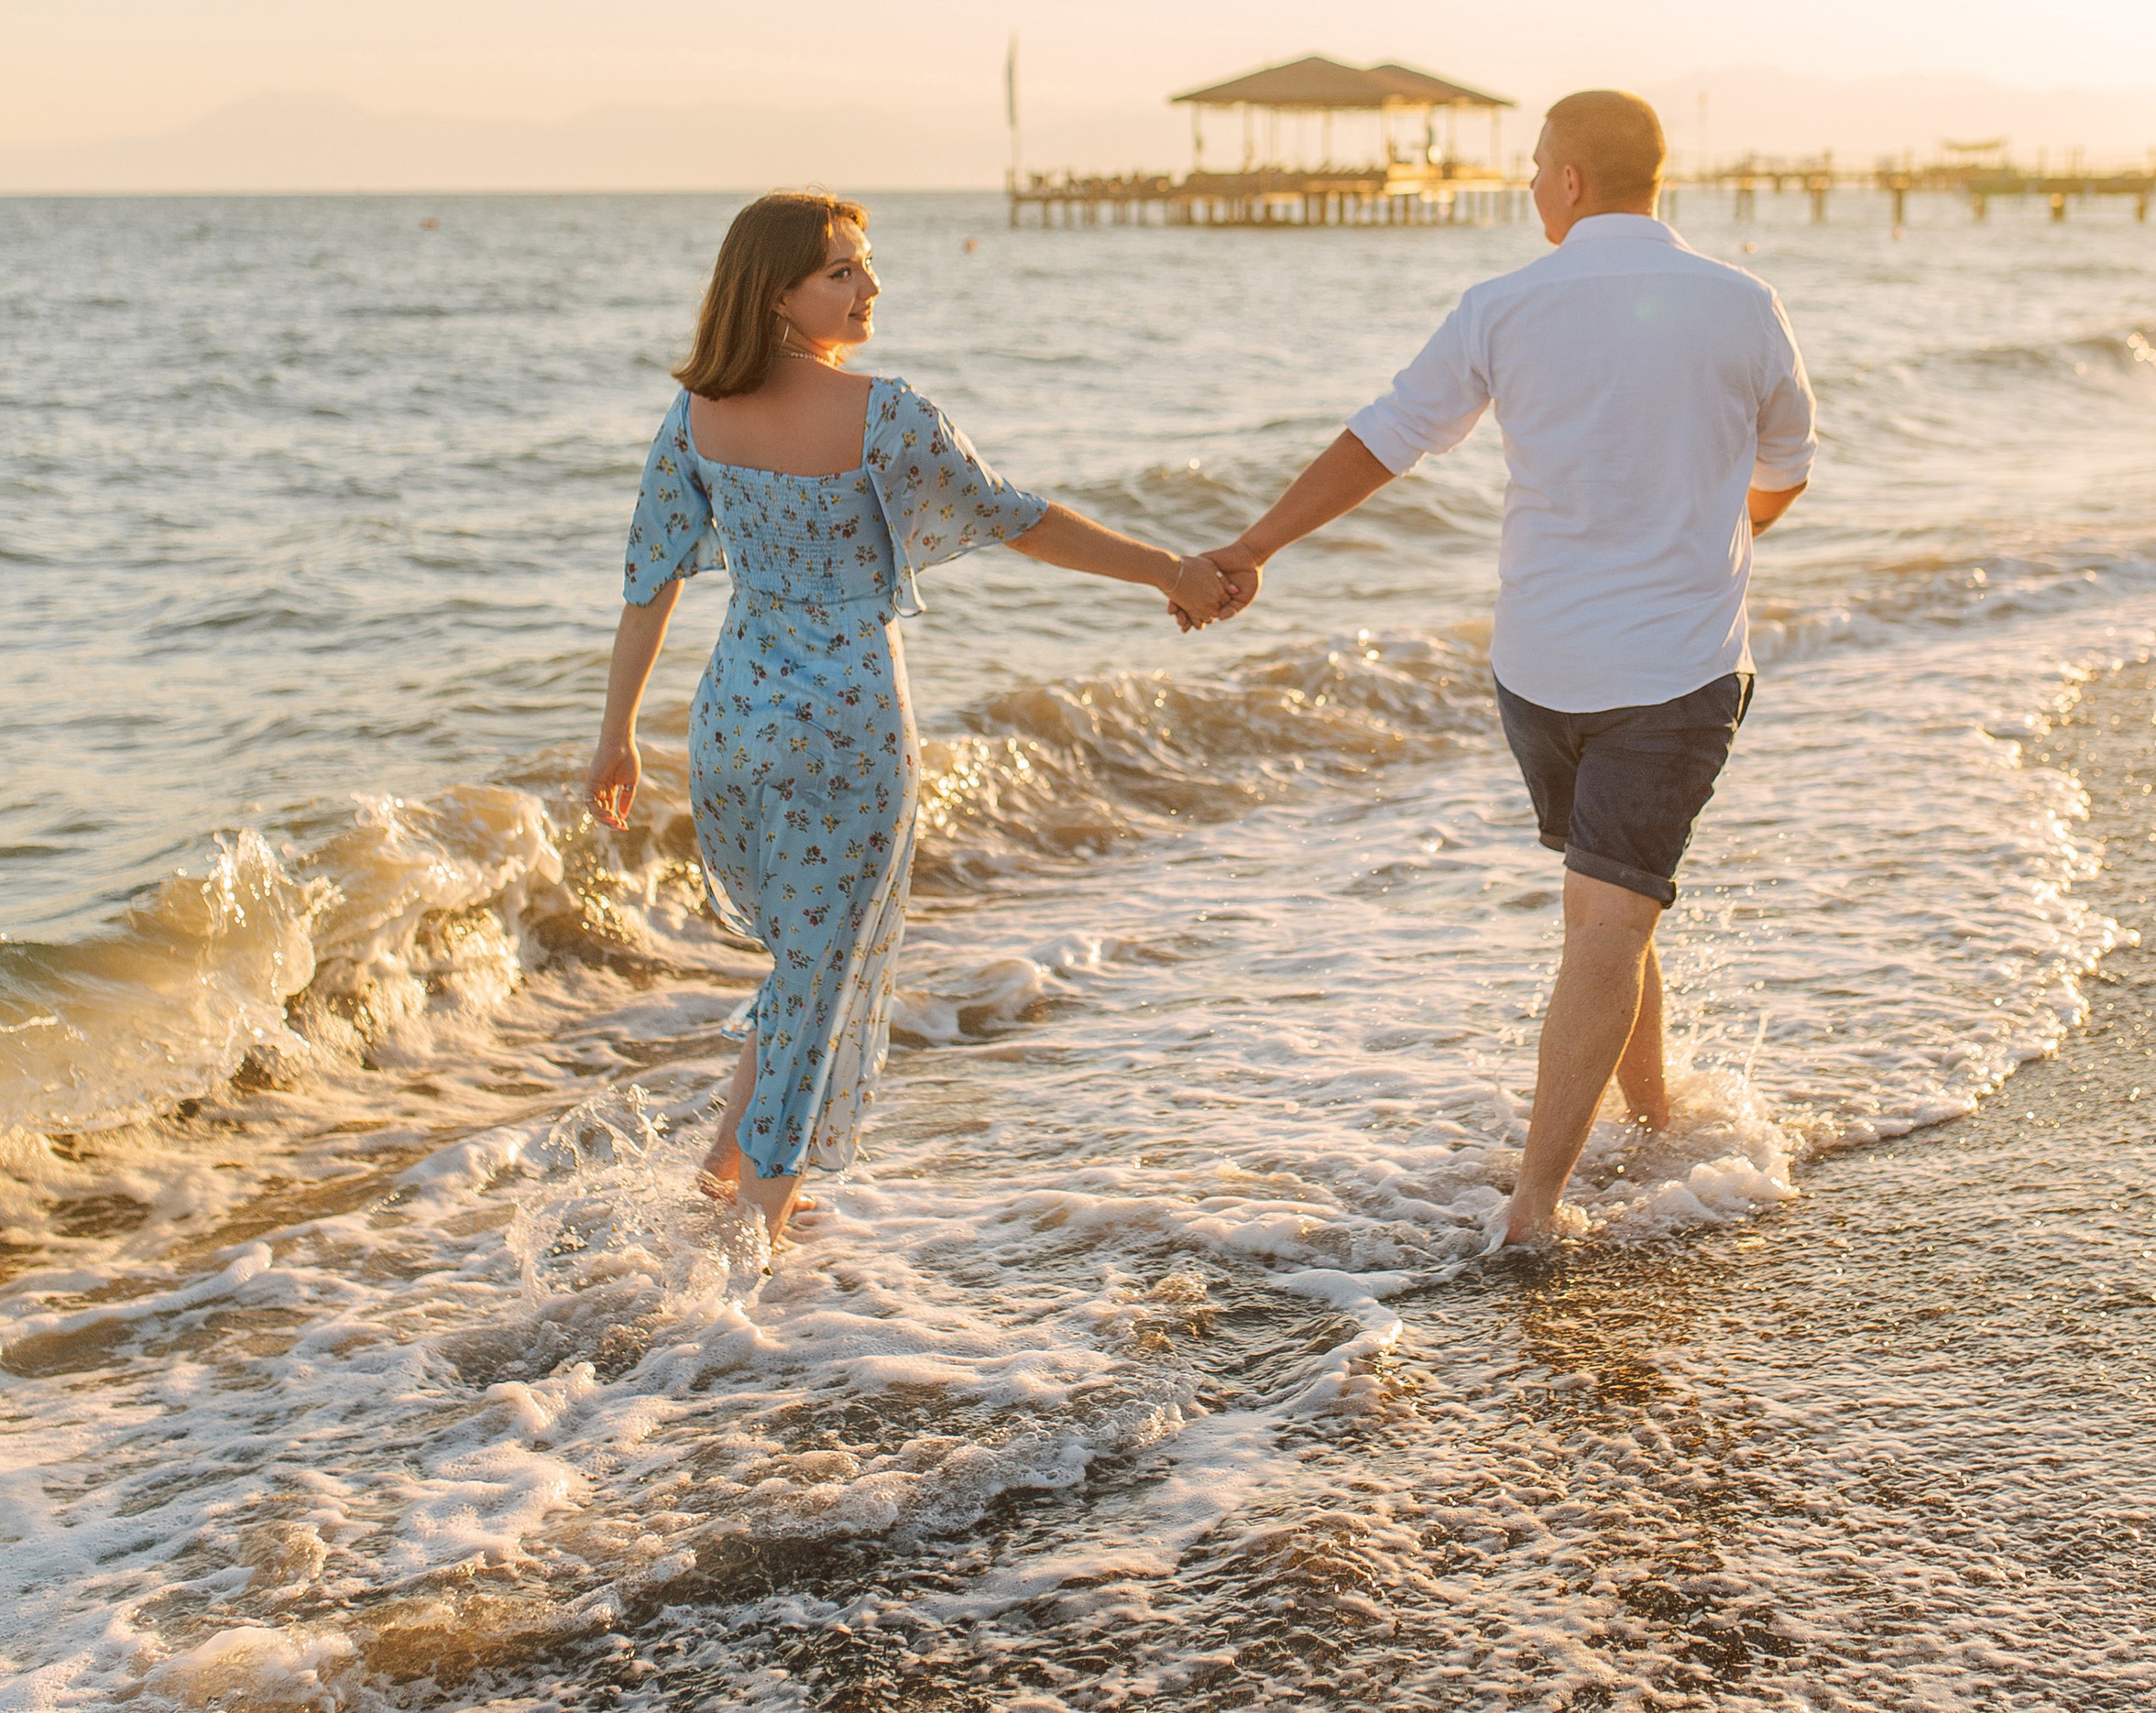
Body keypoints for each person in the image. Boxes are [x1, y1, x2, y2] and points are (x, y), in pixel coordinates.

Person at [1204, 89, 1815, 1248]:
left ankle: (1553, 1189)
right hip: (1675, 668)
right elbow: (1786, 463)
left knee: (1605, 911)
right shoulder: (1745, 306)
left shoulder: (1504, 304)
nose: (1531, 185)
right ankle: (1582, 1170)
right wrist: (1718, 535)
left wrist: (1250, 548)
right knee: (1609, 917)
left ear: (1573, 180)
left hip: (1537, 672)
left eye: (1537, 167)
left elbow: (1384, 437)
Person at [586, 193, 1238, 1238]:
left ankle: (718, 1175)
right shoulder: (884, 413)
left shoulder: (695, 414)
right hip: (848, 724)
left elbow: (646, 581)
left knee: (802, 958)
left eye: (865, 263)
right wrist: (1170, 568)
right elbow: (1021, 519)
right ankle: (758, 1231)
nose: (869, 287)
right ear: (776, 291)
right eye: (841, 270)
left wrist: (616, 734)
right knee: (821, 967)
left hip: (734, 720)